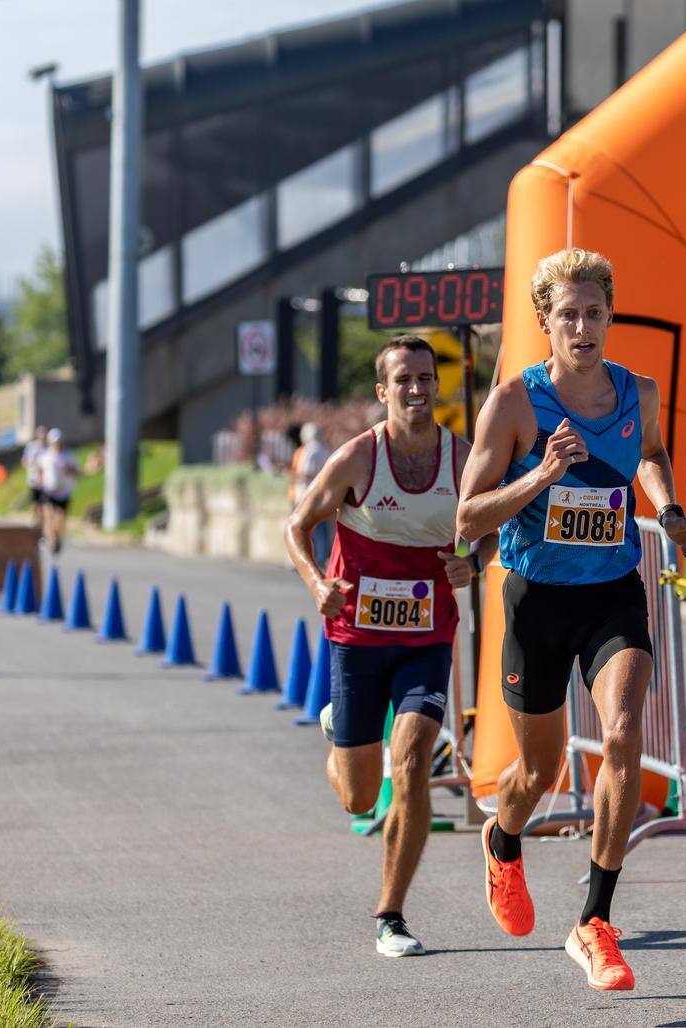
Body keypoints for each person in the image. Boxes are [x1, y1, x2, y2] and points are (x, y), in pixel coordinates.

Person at [456, 248, 686, 991]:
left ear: (609, 315)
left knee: (624, 731)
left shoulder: (639, 391)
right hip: (536, 600)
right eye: (567, 314)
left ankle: (595, 920)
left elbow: (652, 456)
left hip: (611, 592)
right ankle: (503, 841)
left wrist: (669, 511)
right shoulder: (513, 404)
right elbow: (468, 516)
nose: (582, 326)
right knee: (538, 772)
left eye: (594, 312)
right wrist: (541, 474)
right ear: (545, 322)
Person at [285, 334, 494, 958]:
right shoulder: (356, 459)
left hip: (427, 637)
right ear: (383, 391)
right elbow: (297, 525)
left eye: (426, 377)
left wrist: (473, 563)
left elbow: (495, 524)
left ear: (438, 385)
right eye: (403, 379)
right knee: (358, 793)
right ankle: (338, 729)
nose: (417, 388)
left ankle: (391, 915)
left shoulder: (464, 459)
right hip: (356, 637)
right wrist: (318, 582)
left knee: (410, 765)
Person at [289, 421, 333, 565]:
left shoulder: (309, 450)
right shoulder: (326, 449)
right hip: (323, 494)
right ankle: (322, 556)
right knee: (321, 528)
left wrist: (292, 474)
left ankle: (310, 558)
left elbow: (306, 473)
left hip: (306, 494)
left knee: (305, 528)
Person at [38, 428, 78, 554]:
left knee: (60, 516)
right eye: (54, 442)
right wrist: (40, 479)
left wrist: (68, 471)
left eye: (58, 442)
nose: (57, 444)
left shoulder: (68, 455)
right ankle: (52, 539)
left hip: (64, 491)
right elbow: (38, 467)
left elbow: (77, 472)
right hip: (49, 489)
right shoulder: (46, 455)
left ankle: (56, 536)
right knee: (48, 513)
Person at [22, 425, 48, 528]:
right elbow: (25, 461)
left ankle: (41, 522)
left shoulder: (48, 447)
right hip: (33, 479)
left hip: (46, 480)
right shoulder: (31, 447)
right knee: (35, 501)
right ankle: (34, 518)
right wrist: (31, 464)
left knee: (44, 503)